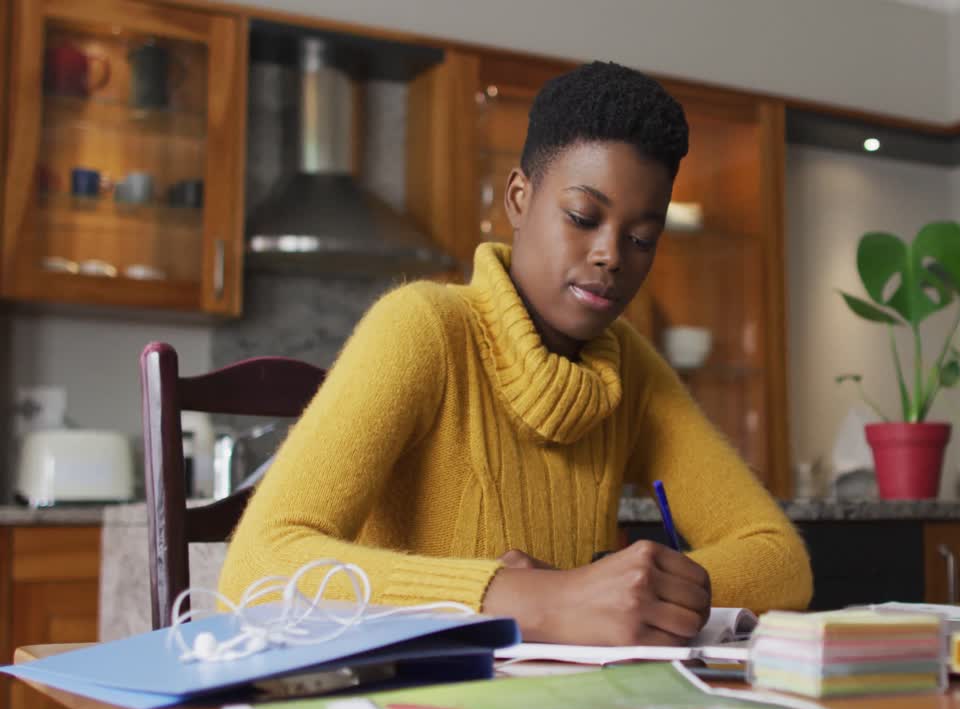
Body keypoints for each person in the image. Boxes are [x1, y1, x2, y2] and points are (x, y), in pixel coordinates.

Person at [220, 61, 812, 646]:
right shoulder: (424, 328)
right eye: (583, 217)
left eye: (641, 239)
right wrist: (535, 599)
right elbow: (258, 567)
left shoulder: (628, 368)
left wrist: (627, 589)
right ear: (519, 199)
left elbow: (780, 559)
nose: (611, 255)